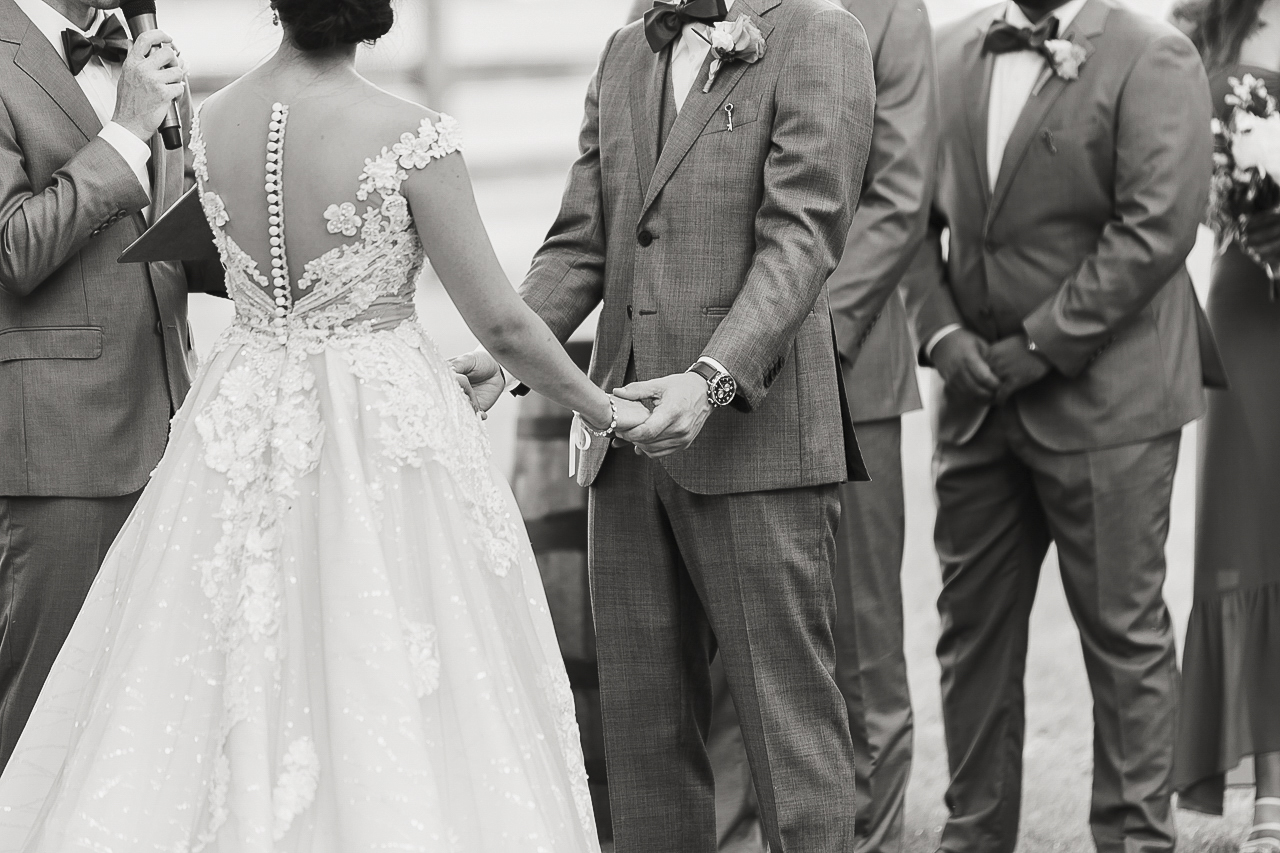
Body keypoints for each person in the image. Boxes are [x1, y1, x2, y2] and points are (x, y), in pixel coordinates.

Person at [0, 0, 652, 847]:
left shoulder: (214, 119)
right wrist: (608, 408)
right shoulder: (411, 136)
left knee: (221, 670)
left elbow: (230, 255)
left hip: (238, 415)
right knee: (383, 650)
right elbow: (501, 322)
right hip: (372, 426)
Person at [458, 1, 876, 851]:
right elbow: (581, 243)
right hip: (624, 447)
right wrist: (506, 357)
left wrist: (711, 379)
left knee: (790, 737)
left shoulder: (820, 34)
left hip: (758, 447)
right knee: (644, 744)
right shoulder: (623, 53)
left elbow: (802, 239)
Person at [618, 1, 937, 851]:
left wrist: (762, 351)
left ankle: (871, 832)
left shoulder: (862, 19)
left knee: (835, 664)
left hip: (818, 381)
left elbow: (878, 204)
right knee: (692, 699)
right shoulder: (643, 32)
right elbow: (616, 220)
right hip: (659, 409)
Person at [904, 0, 1222, 851]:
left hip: (1111, 399)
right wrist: (940, 332)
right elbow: (904, 214)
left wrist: (1041, 344)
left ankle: (1135, 838)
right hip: (974, 399)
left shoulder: (1153, 56)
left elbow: (1156, 227)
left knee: (1123, 635)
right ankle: (975, 833)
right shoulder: (944, 51)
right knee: (970, 631)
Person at [0, 0, 196, 770]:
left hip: (173, 430)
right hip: (61, 446)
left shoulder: (139, 47)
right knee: (40, 724)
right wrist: (127, 128)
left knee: (146, 720)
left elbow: (168, 228)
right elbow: (13, 247)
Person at [1170, 1, 1280, 849]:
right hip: (1253, 308)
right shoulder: (1211, 38)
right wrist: (1232, 195)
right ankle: (1274, 790)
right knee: (1255, 535)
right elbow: (1190, 197)